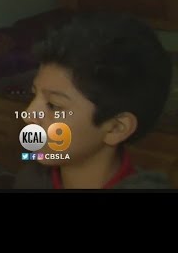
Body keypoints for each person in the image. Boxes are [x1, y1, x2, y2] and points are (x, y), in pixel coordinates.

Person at [13, 12, 173, 189]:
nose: (28, 115)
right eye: (33, 94)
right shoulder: (31, 180)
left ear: (116, 128)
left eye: (53, 105)